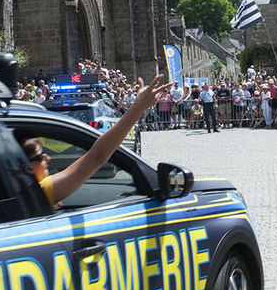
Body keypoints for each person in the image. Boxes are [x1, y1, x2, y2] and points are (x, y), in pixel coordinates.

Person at [17, 76, 173, 208]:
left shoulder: (13, 193)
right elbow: (97, 155)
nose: (47, 158)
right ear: (24, 167)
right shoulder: (36, 193)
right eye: (39, 156)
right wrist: (138, 108)